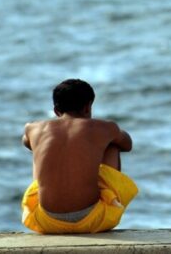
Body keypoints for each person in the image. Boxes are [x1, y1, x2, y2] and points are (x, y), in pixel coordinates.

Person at [21, 79, 137, 234]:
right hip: (92, 220)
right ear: (88, 106)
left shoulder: (32, 128)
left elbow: (27, 143)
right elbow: (127, 144)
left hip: (45, 222)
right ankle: (111, 202)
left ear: (56, 110)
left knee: (40, 149)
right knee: (112, 145)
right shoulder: (105, 128)